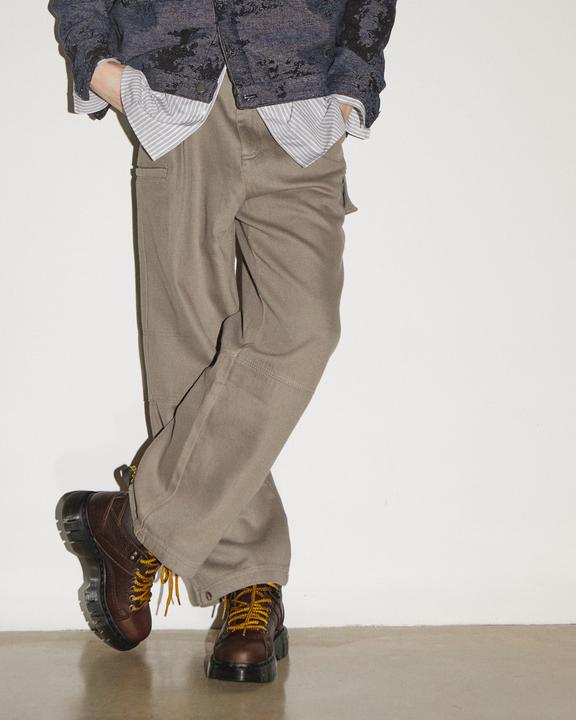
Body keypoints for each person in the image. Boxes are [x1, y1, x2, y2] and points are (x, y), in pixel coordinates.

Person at [51, 0, 397, 683]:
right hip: (173, 91)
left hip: (301, 98)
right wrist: (98, 68)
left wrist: (353, 89)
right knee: (189, 352)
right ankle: (246, 586)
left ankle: (133, 522)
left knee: (302, 328)